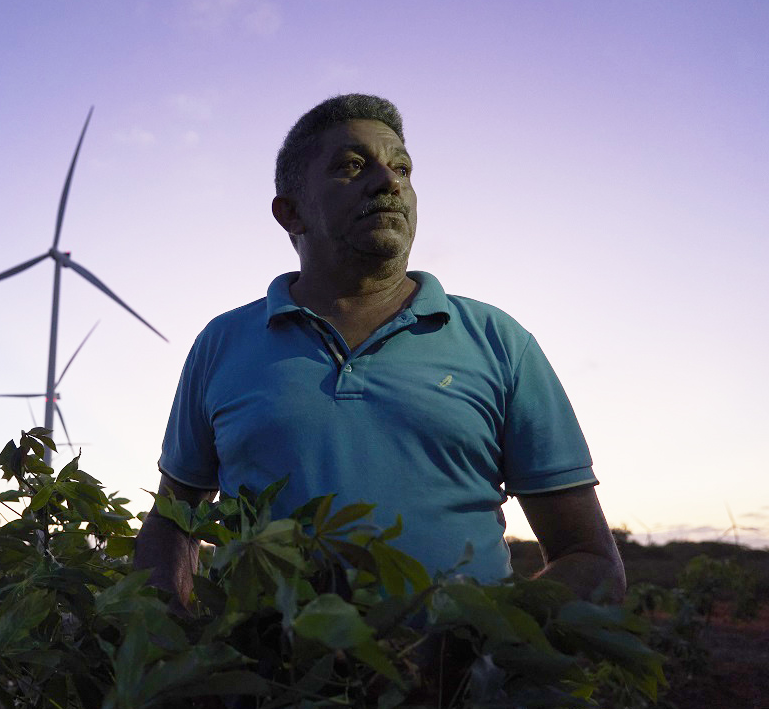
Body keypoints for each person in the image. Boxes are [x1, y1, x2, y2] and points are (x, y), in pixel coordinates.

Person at [134, 94, 625, 607]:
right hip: (262, 684)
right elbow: (174, 523)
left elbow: (589, 560)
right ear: (291, 212)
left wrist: (478, 647)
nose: (389, 182)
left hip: (460, 689)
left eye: (402, 169)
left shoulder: (500, 341)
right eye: (351, 165)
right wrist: (171, 648)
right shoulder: (222, 343)